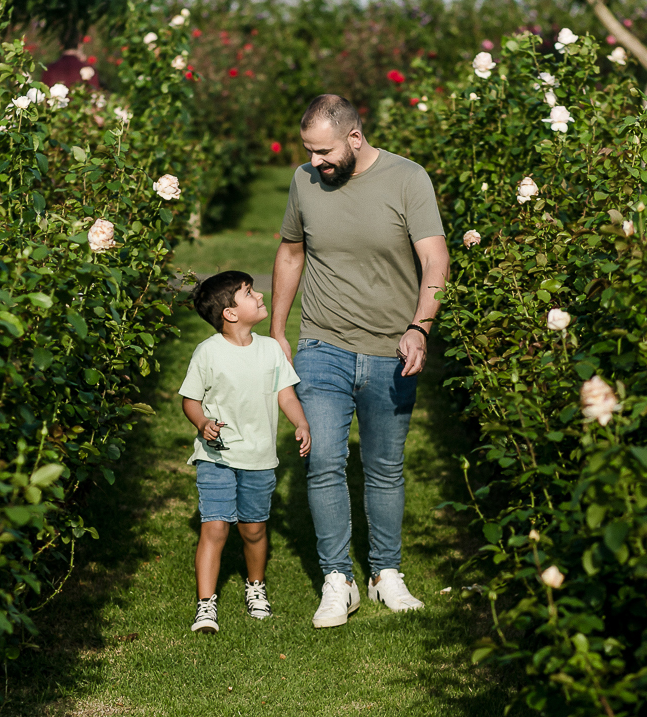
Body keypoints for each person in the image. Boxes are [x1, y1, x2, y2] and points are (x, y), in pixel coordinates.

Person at [269, 94, 450, 629]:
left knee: (384, 467)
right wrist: (279, 331)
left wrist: (421, 326)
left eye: (324, 152)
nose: (316, 163)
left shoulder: (407, 178)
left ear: (353, 138)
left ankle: (385, 573)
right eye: (309, 152)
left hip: (391, 348)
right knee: (323, 459)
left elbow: (435, 257)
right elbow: (290, 251)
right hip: (322, 343)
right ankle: (336, 580)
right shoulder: (304, 181)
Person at [179, 271, 312, 633]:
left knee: (253, 529)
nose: (259, 296)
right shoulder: (208, 352)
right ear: (231, 314)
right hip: (216, 456)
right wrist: (202, 422)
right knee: (216, 527)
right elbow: (190, 401)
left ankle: (256, 587)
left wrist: (300, 423)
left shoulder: (270, 349)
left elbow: (286, 393)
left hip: (259, 458)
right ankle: (206, 605)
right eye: (249, 293)